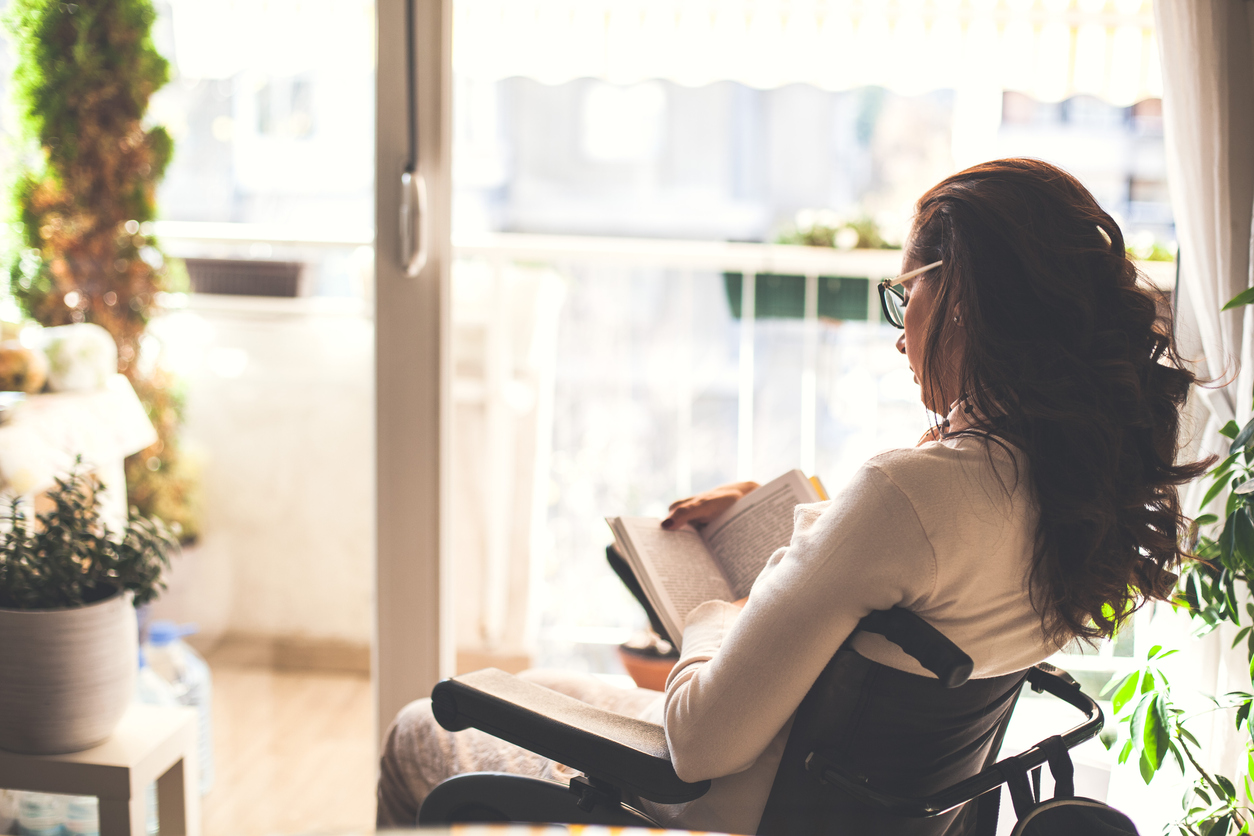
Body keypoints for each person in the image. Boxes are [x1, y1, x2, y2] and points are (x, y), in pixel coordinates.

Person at [375, 158, 1209, 834]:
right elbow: (900, 593)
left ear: (960, 295)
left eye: (904, 293)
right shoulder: (1070, 482)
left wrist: (713, 606)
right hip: (837, 785)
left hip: (735, 798)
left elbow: (698, 743)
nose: (897, 330)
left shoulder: (913, 494)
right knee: (557, 679)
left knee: (422, 727)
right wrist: (803, 525)